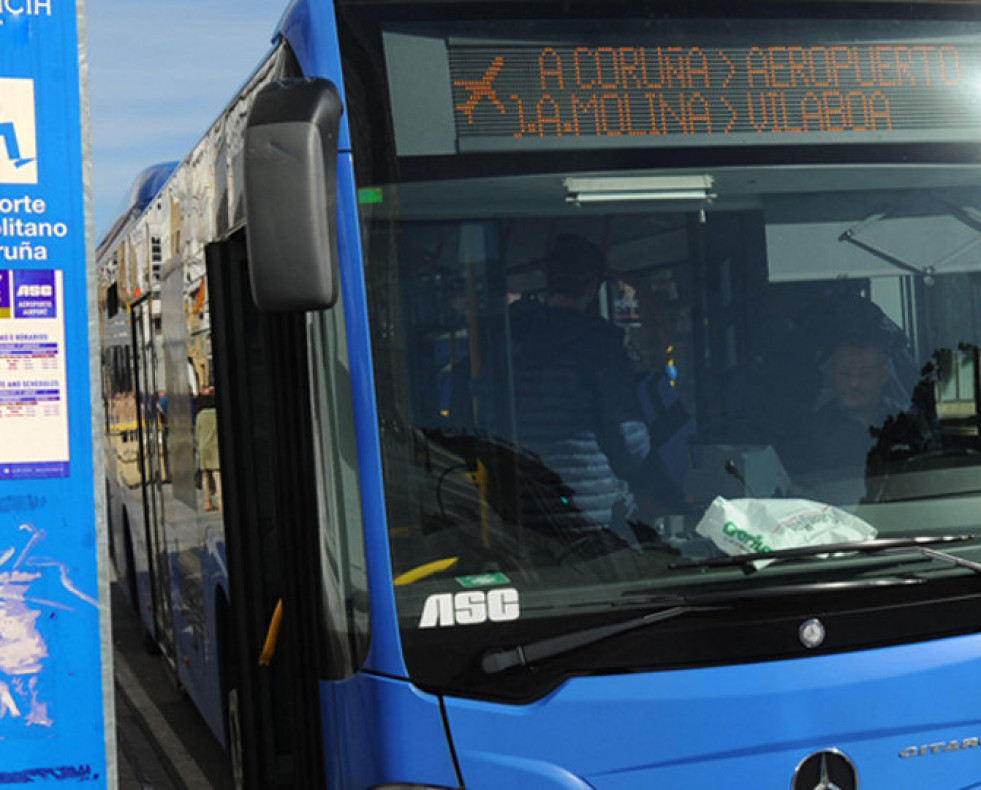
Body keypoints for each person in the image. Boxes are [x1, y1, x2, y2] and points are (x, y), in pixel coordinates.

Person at [505, 233, 651, 542]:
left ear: (549, 283)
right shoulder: (601, 347)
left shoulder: (509, 341)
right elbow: (630, 442)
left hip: (526, 509)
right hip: (591, 512)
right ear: (592, 288)